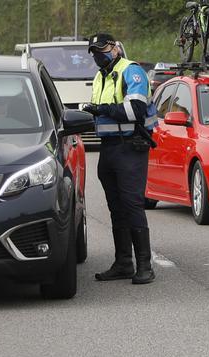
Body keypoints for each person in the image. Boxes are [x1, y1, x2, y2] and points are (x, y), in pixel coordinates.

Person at [81, 33, 159, 285]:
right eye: (93, 52)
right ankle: (124, 262)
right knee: (116, 208)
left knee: (132, 205)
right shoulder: (100, 76)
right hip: (109, 149)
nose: (97, 55)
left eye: (101, 50)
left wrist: (100, 110)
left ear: (115, 49)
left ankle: (145, 265)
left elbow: (134, 111)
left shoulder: (131, 71)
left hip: (130, 147)